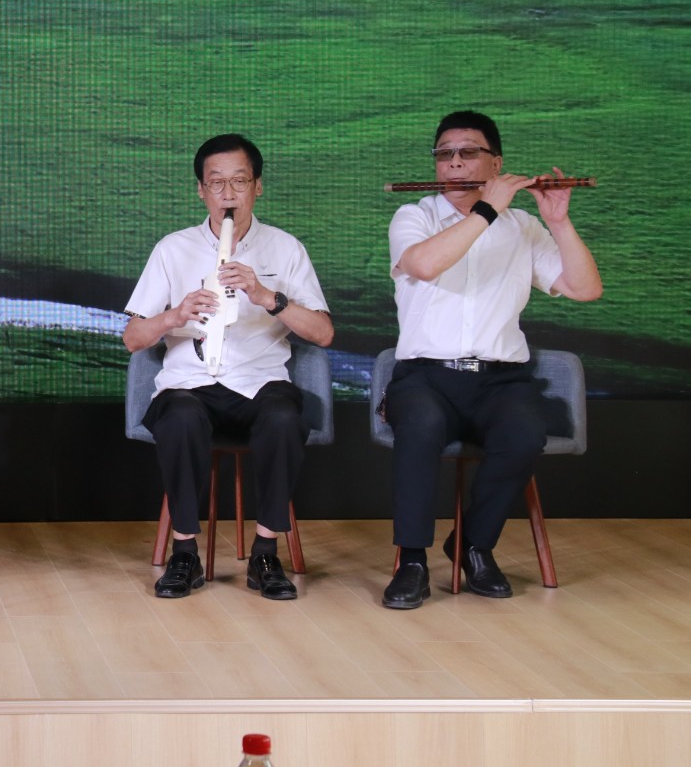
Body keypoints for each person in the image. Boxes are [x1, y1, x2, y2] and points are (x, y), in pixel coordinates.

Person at [380, 111, 600, 610]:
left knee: (524, 434)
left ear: (496, 164)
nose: (455, 164)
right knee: (419, 428)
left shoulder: (524, 227)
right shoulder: (414, 216)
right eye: (444, 155)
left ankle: (473, 546)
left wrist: (559, 222)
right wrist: (487, 209)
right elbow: (425, 265)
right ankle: (411, 561)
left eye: (468, 153)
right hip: (424, 376)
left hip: (501, 380)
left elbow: (584, 289)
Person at [123, 134, 334, 601]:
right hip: (189, 383)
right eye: (216, 183)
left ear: (257, 187)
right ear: (201, 191)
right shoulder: (172, 249)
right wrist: (175, 316)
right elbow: (133, 339)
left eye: (239, 181)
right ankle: (184, 553)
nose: (228, 194)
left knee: (284, 418)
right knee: (179, 417)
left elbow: (322, 333)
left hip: (260, 383)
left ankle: (265, 553)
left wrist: (267, 297)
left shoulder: (285, 248)